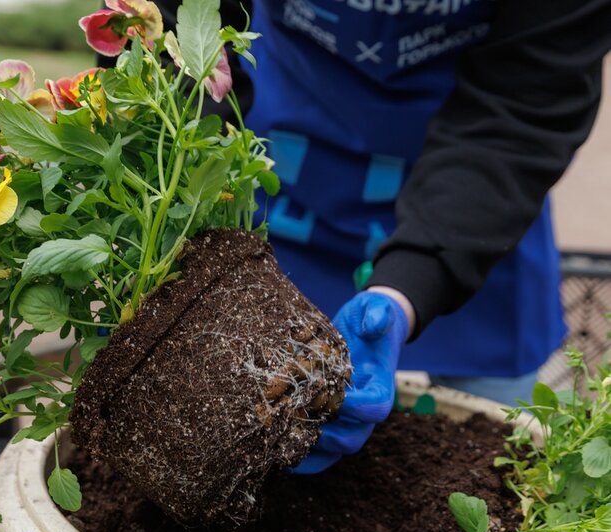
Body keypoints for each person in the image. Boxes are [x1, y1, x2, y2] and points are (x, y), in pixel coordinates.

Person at [147, 0, 611, 472]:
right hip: (281, 167)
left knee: (507, 473)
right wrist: (186, 205)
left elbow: (527, 104)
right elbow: (166, 27)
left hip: (475, 211)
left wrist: (411, 283)